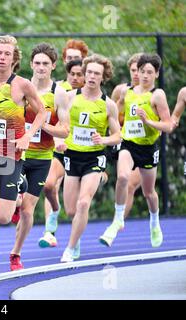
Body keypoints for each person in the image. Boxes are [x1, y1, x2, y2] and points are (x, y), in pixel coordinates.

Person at [0, 35, 46, 278]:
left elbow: (42, 112)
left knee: (3, 217)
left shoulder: (22, 85)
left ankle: (20, 185)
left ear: (13, 58)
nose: (2, 58)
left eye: (7, 54)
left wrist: (28, 136)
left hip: (11, 156)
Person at [99, 53, 171, 248]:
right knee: (122, 177)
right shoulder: (126, 92)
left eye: (150, 72)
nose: (145, 76)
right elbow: (115, 110)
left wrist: (148, 120)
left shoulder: (157, 95)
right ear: (136, 72)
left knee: (149, 193)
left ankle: (154, 222)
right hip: (128, 144)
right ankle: (118, 219)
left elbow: (169, 125)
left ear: (156, 73)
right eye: (142, 71)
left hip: (148, 148)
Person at [8, 43, 69, 270]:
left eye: (45, 63)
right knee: (14, 199)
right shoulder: (20, 87)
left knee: (28, 209)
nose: (41, 67)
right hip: (18, 154)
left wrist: (44, 127)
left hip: (42, 157)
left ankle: (16, 253)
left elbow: (65, 130)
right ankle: (14, 201)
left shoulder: (59, 94)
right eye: (37, 63)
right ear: (31, 64)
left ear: (53, 66)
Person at [61, 54, 121, 262]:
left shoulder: (108, 105)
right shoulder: (70, 97)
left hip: (94, 158)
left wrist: (103, 140)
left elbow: (118, 136)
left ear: (103, 77)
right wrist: (60, 140)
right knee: (70, 210)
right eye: (90, 73)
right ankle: (76, 238)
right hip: (72, 155)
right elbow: (62, 125)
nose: (92, 76)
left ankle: (69, 249)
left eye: (97, 73)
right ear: (85, 74)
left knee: (83, 203)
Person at [41, 59, 85, 247]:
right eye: (72, 74)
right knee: (49, 184)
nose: (75, 78)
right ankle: (52, 216)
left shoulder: (98, 100)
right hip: (62, 150)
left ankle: (75, 240)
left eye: (79, 74)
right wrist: (58, 141)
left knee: (74, 207)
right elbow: (59, 123)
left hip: (83, 154)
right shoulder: (62, 93)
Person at [110, 53, 143, 219]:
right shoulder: (120, 91)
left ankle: (119, 221)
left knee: (131, 185)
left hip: (144, 147)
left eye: (141, 70)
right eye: (133, 70)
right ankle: (119, 219)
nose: (137, 73)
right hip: (124, 145)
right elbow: (109, 114)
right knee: (124, 181)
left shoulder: (154, 94)